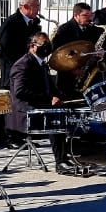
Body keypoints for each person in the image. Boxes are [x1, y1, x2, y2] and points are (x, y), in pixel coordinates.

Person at [8, 32, 71, 171]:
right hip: (26, 108)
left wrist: (61, 97)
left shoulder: (41, 63)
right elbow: (20, 92)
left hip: (39, 102)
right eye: (44, 44)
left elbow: (51, 87)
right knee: (55, 116)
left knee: (70, 109)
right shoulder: (23, 65)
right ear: (33, 46)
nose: (47, 48)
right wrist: (49, 99)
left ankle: (73, 154)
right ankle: (60, 161)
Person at [51, 2, 104, 102]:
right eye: (85, 15)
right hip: (68, 79)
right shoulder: (64, 30)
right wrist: (73, 70)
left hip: (88, 77)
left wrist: (99, 53)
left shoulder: (93, 30)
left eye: (90, 15)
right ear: (76, 15)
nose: (89, 18)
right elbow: (57, 56)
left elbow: (96, 47)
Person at [0, 0, 41, 86]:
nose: (38, 10)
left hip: (29, 71)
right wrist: (21, 65)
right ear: (25, 7)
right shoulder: (11, 23)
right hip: (14, 72)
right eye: (36, 6)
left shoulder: (34, 23)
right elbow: (6, 49)